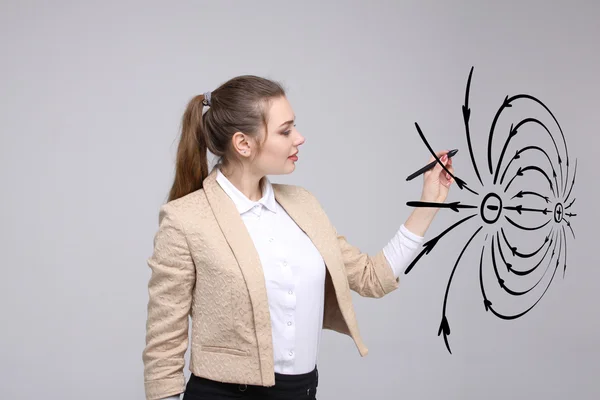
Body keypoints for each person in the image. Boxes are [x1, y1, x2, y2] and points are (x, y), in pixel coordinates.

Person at [142, 75, 455, 400]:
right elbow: (163, 346)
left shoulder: (304, 204)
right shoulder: (185, 219)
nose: (300, 138)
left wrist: (429, 200)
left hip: (302, 392)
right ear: (243, 144)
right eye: (285, 130)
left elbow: (371, 278)